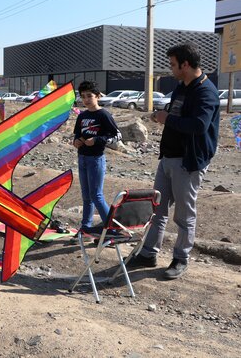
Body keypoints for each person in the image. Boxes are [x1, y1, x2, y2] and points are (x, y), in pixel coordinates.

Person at [126, 42, 220, 280]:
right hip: (168, 158)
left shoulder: (205, 92)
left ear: (185, 65)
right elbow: (176, 115)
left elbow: (199, 126)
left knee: (184, 215)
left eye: (173, 65)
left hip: (188, 162)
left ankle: (181, 258)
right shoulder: (182, 87)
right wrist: (163, 117)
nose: (171, 69)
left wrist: (167, 118)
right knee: (156, 209)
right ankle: (149, 253)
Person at [71, 81, 121, 244]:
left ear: (98, 96)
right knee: (86, 196)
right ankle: (86, 228)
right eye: (83, 96)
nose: (86, 99)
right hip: (82, 158)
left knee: (96, 195)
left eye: (89, 96)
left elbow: (117, 136)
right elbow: (77, 134)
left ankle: (112, 231)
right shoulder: (82, 116)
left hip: (96, 159)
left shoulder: (104, 115)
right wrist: (77, 141)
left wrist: (98, 140)